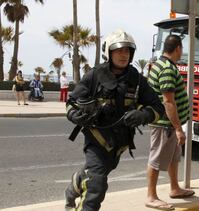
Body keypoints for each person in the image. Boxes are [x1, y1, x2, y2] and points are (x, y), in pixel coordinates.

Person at [64, 30, 164, 211]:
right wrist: (74, 114)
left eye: (127, 51)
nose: (123, 54)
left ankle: (73, 187)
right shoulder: (94, 76)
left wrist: (144, 115)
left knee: (94, 175)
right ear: (108, 52)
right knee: (96, 185)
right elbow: (71, 102)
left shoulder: (138, 80)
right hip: (96, 140)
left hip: (120, 144)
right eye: (118, 50)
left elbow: (158, 108)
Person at [146, 34, 194, 210]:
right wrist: (178, 129)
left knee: (174, 157)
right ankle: (151, 196)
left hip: (170, 125)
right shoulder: (167, 68)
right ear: (178, 49)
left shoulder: (162, 64)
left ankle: (175, 188)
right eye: (182, 50)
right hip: (165, 125)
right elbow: (168, 101)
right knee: (156, 159)